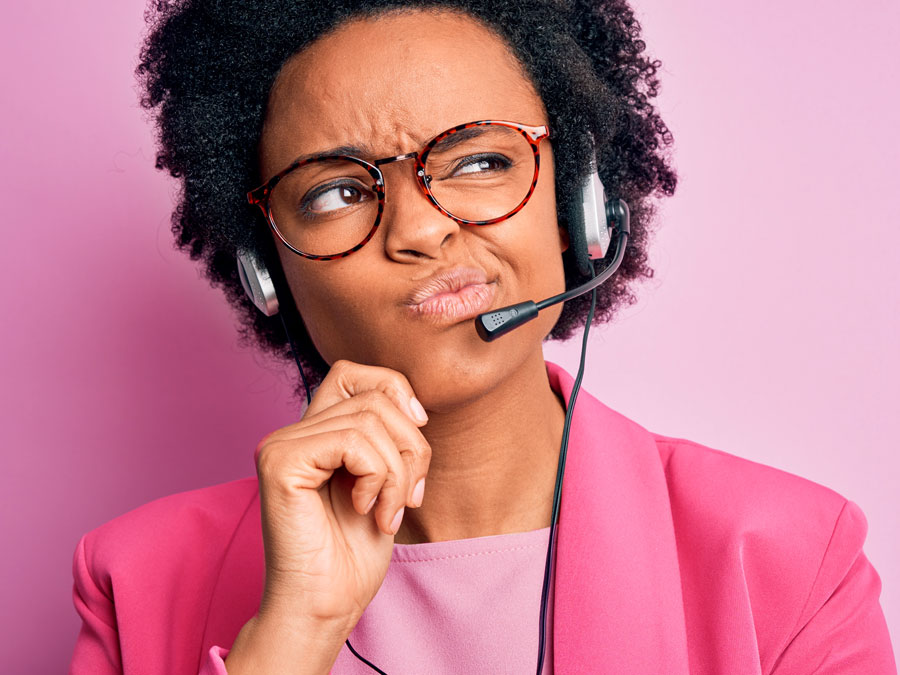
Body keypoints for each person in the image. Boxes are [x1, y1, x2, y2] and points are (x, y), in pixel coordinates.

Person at [69, 1, 897, 673]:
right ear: (266, 270)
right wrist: (291, 634)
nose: (421, 231)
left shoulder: (789, 560)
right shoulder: (135, 582)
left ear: (581, 205)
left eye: (476, 163)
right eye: (334, 193)